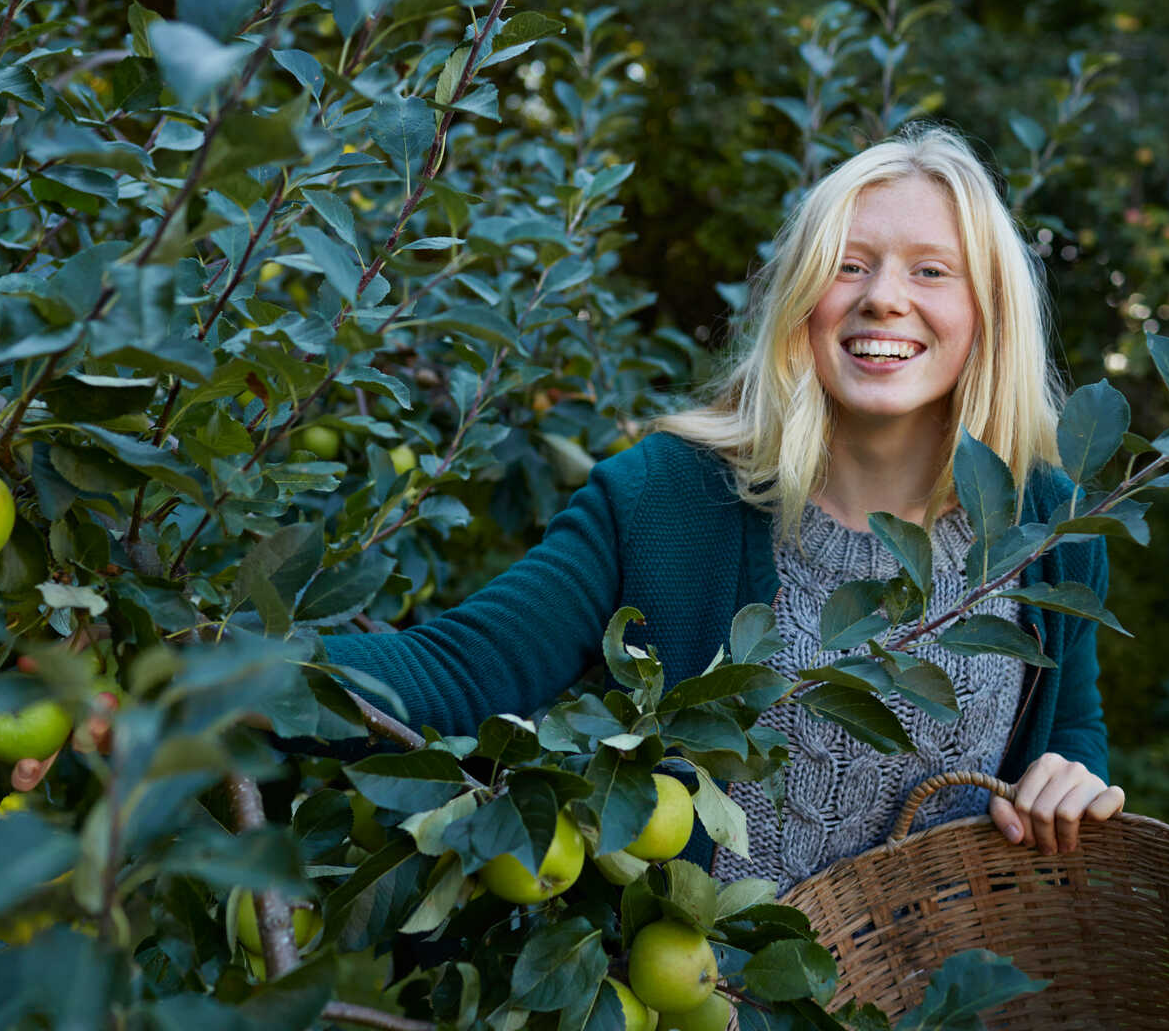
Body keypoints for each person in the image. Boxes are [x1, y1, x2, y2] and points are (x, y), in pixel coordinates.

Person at [320, 123, 1125, 891]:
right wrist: (261, 672)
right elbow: (465, 672)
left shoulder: (1046, 528)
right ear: (802, 298)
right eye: (848, 266)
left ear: (989, 312)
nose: (883, 298)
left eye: (931, 271)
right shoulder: (665, 498)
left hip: (945, 971)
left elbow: (1067, 729)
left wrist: (1072, 778)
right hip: (705, 975)